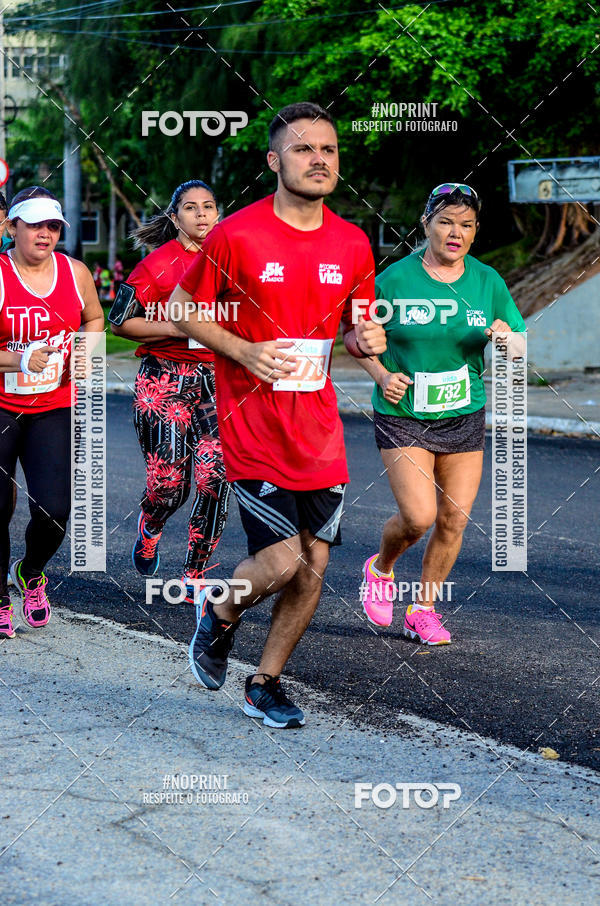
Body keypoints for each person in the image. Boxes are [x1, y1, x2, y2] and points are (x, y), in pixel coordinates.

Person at [168, 101, 386, 728]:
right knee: (283, 561)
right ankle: (220, 611)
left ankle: (264, 683)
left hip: (319, 430)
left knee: (315, 566)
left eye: (329, 150)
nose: (319, 160)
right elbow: (184, 310)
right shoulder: (236, 233)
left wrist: (368, 346)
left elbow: (359, 329)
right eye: (302, 149)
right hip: (252, 422)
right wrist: (243, 350)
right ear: (273, 160)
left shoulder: (351, 241)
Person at [358, 183, 526, 644]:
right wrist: (378, 372)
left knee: (454, 518)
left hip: (464, 413)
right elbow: (358, 336)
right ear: (427, 224)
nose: (456, 232)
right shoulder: (393, 279)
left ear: (475, 233)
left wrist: (504, 339)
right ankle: (381, 567)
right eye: (446, 221)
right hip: (404, 409)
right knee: (418, 517)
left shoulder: (487, 281)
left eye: (466, 225)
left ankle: (423, 609)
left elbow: (520, 343)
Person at [110, 180, 229, 601]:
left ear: (218, 213)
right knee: (169, 484)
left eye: (209, 206)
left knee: (218, 477)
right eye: (191, 208)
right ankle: (151, 524)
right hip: (164, 379)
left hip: (219, 381)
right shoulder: (155, 265)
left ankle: (195, 573)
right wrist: (177, 328)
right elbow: (119, 321)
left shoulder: (233, 261)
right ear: (174, 217)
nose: (201, 214)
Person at [0, 186, 104, 638]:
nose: (45, 234)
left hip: (52, 407)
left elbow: (94, 318)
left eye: (53, 226)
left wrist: (87, 352)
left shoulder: (75, 272)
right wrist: (19, 359)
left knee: (56, 508)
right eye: (35, 224)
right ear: (12, 227)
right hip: (1, 406)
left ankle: (31, 572)